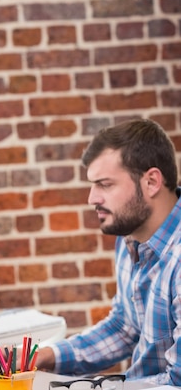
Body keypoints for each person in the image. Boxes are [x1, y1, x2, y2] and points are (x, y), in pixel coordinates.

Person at [35, 119, 181, 386]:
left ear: (151, 182)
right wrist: (45, 356)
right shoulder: (131, 238)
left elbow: (176, 382)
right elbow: (125, 327)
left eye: (105, 184)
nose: (92, 198)